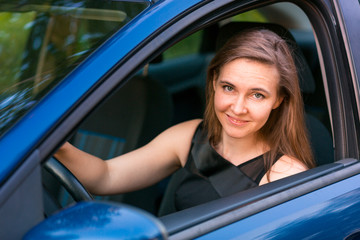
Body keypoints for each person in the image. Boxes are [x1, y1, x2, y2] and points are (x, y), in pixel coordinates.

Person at [54, 28, 316, 211]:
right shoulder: (190, 136)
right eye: (228, 88)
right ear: (213, 83)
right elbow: (106, 176)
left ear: (279, 100)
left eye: (257, 95)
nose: (238, 107)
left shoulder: (284, 175)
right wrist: (56, 145)